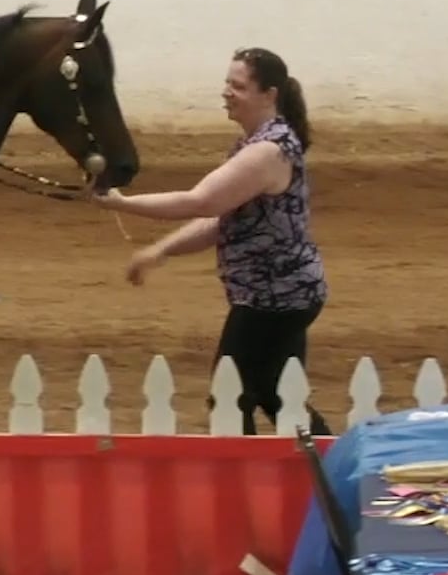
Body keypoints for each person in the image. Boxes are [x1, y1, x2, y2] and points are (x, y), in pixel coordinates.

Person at [89, 47, 329, 435]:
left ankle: (247, 479)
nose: (227, 92)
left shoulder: (266, 151)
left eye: (238, 86)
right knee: (277, 395)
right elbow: (224, 222)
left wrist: (121, 202)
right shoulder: (260, 144)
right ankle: (327, 466)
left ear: (269, 95)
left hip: (272, 299)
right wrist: (162, 249)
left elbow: (200, 202)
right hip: (288, 294)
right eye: (227, 83)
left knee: (230, 397)